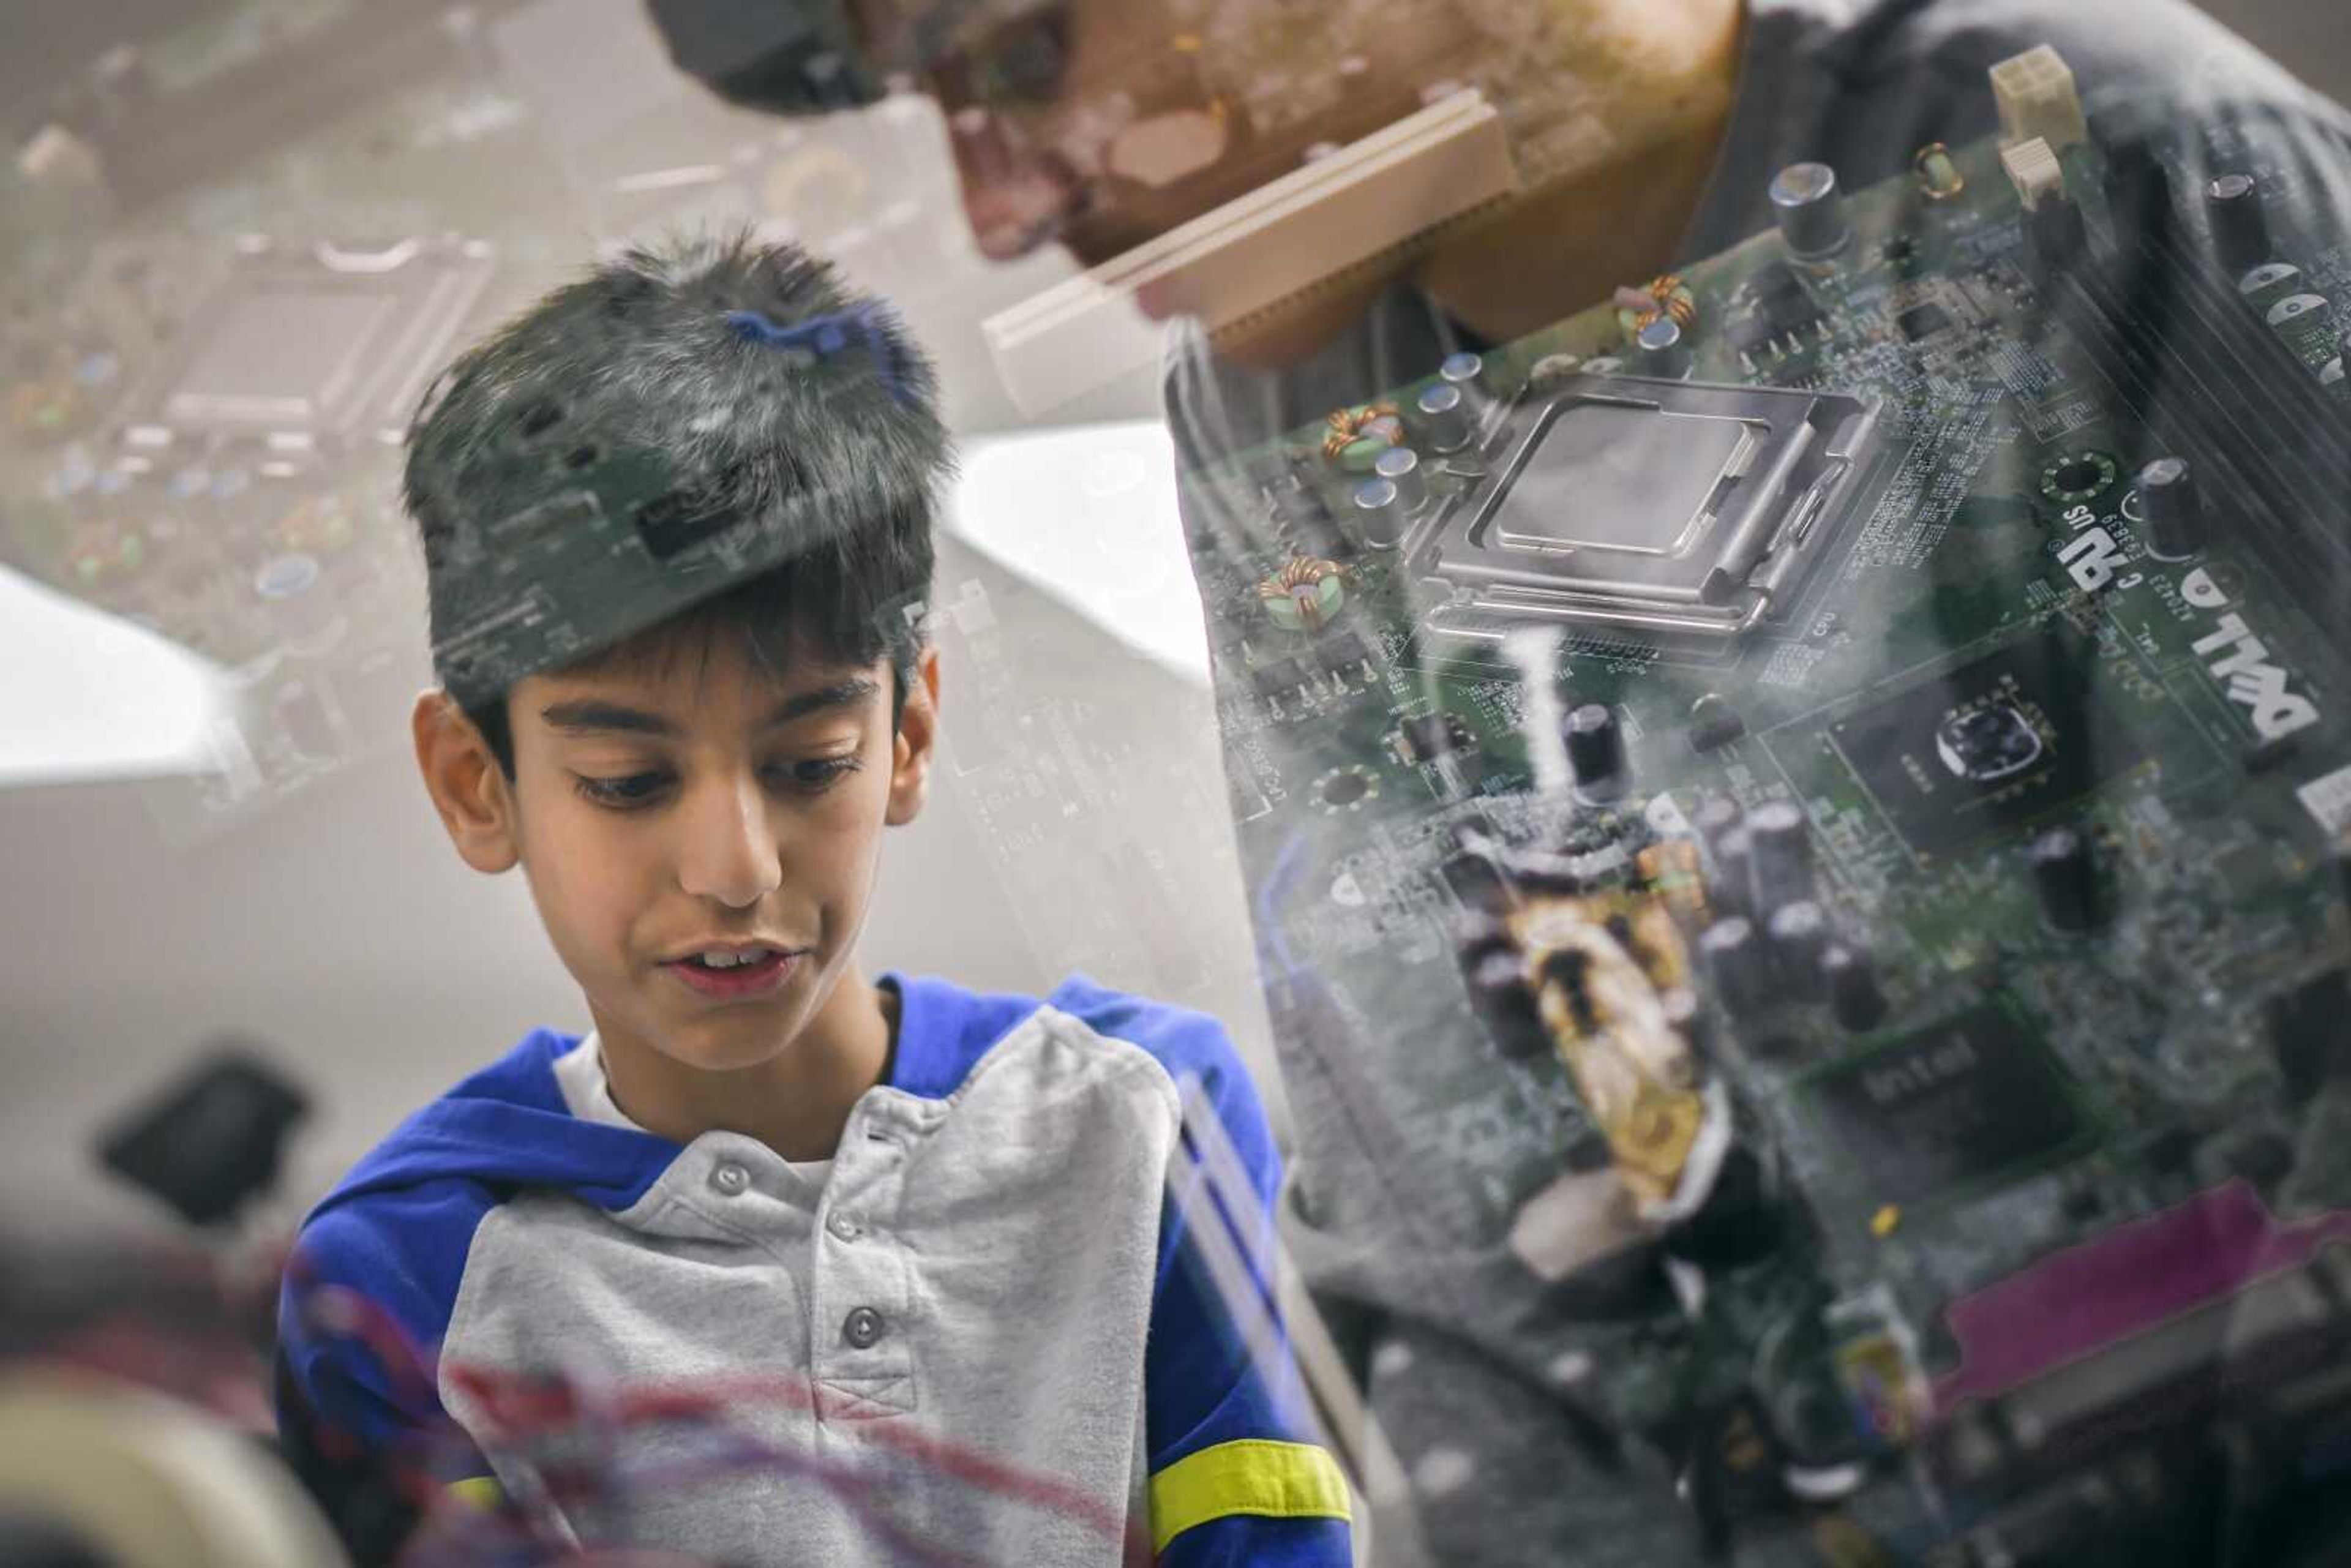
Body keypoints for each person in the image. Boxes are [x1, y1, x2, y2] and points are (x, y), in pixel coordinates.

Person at [647, 3, 2351, 1563]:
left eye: (1022, 56)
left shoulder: (2109, 164)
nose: (1001, 210)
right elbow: (1453, 1217)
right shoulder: (1285, 389)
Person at [269, 232, 1355, 1568]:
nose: (737, 869)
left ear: (906, 738)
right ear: (475, 783)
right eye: (626, 780)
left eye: (808, 765)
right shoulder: (401, 1272)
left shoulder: (1141, 1117)